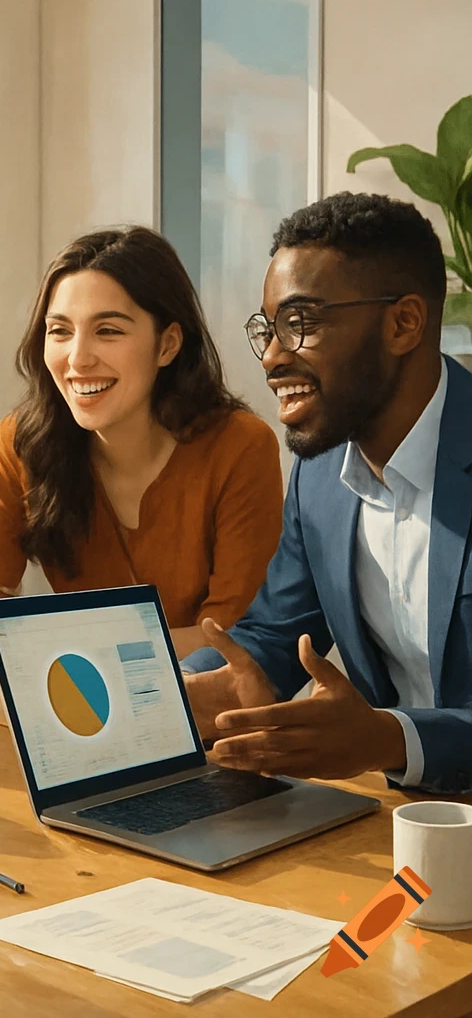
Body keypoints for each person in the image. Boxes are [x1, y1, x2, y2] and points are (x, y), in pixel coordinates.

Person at [182, 191, 472, 795]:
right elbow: (276, 635)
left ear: (404, 323)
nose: (270, 358)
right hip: (403, 825)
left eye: (301, 324)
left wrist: (389, 738)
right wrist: (195, 688)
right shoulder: (320, 480)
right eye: (267, 329)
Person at [0, 226, 284, 674]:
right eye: (60, 331)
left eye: (107, 331)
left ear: (167, 344)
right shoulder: (18, 444)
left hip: (212, 717)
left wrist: (67, 657)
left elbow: (231, 637)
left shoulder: (240, 446)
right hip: (76, 708)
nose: (78, 359)